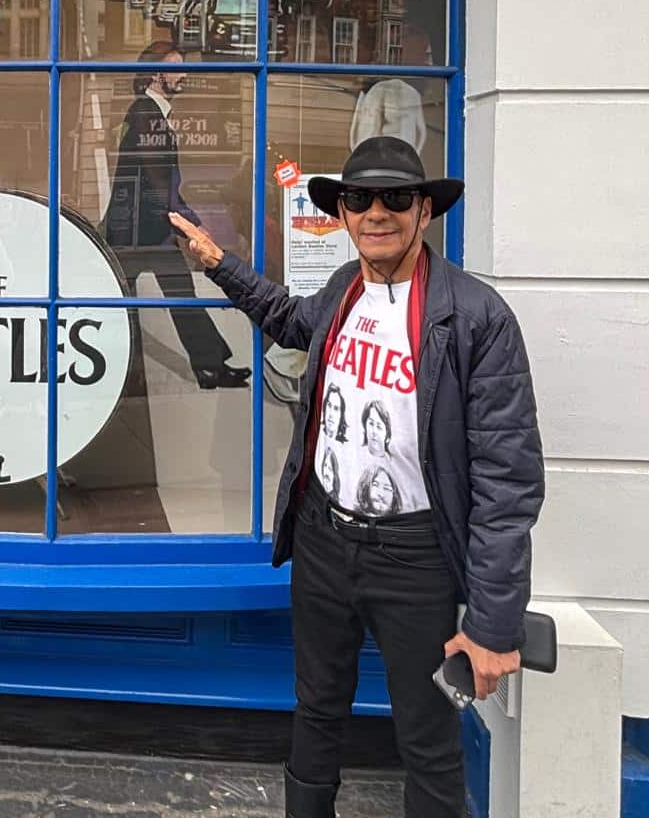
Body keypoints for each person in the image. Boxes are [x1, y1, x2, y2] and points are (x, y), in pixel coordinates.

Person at [170, 136, 544, 818]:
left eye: (395, 198)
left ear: (424, 210)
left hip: (416, 559)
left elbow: (508, 480)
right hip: (324, 540)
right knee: (315, 710)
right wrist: (221, 266)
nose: (376, 212)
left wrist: (494, 624)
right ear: (342, 212)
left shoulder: (476, 317)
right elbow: (288, 320)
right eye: (359, 198)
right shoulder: (344, 289)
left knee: (428, 737)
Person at [103, 41, 248, 390]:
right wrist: (190, 223)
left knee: (178, 297)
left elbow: (160, 184)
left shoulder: (152, 114)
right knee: (128, 306)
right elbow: (157, 185)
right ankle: (127, 374)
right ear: (156, 74)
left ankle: (209, 366)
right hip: (139, 233)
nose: (184, 74)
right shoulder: (146, 115)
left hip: (147, 229)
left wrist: (188, 221)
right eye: (175, 67)